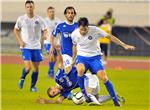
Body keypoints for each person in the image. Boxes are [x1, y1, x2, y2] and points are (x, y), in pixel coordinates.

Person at [71, 17, 135, 106]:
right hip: (82, 57)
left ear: (88, 27)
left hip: (95, 58)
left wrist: (124, 45)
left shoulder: (95, 30)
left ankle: (115, 101)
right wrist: (73, 59)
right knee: (80, 70)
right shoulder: (74, 34)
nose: (83, 32)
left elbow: (110, 36)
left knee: (104, 77)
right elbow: (74, 46)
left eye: (85, 30)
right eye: (81, 30)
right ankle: (85, 95)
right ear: (78, 27)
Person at [36, 50, 124, 104]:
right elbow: (58, 101)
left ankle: (97, 103)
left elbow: (60, 64)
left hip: (89, 79)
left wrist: (59, 52)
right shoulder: (65, 92)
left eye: (53, 91)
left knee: (88, 97)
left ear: (52, 87)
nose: (56, 93)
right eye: (54, 94)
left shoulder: (58, 78)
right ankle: (114, 96)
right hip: (89, 82)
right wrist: (46, 101)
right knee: (93, 98)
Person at [14, 0, 47, 92]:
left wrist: (44, 35)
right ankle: (22, 78)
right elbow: (16, 30)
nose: (29, 8)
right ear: (25, 8)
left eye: (31, 7)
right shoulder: (21, 19)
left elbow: (45, 29)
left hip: (36, 47)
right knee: (28, 68)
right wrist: (20, 41)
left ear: (34, 7)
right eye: (27, 7)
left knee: (36, 68)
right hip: (26, 47)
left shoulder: (39, 19)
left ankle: (32, 87)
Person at [50, 6, 78, 73]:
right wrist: (52, 46)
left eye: (72, 13)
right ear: (65, 14)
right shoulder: (60, 25)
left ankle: (60, 82)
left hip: (77, 54)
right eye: (68, 13)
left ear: (74, 14)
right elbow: (52, 35)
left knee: (77, 72)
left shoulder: (78, 25)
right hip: (65, 53)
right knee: (69, 71)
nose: (70, 15)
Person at [44, 6, 61, 78]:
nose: (52, 13)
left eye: (53, 11)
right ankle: (51, 71)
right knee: (52, 56)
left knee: (56, 58)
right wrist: (43, 34)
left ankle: (50, 70)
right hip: (47, 42)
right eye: (50, 12)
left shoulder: (58, 21)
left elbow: (60, 31)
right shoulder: (44, 21)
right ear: (47, 13)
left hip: (56, 42)